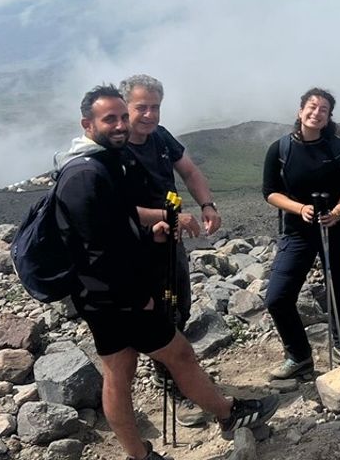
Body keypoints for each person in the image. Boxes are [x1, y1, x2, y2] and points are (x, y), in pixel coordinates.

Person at [55, 86, 276, 460]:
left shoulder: (102, 161)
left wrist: (149, 232)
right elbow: (98, 250)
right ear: (87, 123)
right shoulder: (85, 175)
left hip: (101, 296)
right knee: (179, 353)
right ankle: (229, 414)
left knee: (118, 371)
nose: (122, 124)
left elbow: (115, 225)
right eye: (112, 118)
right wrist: (138, 295)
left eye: (123, 116)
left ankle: (139, 455)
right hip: (117, 295)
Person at [119, 74, 222, 424]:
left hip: (171, 242)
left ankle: (179, 373)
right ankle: (172, 384)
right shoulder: (114, 151)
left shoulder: (160, 138)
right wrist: (169, 215)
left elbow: (190, 172)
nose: (149, 115)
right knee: (155, 316)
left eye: (155, 107)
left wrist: (207, 205)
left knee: (179, 306)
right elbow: (116, 209)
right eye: (141, 107)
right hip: (135, 249)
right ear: (125, 108)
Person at [262, 88, 340, 379]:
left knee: (339, 290)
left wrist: (339, 212)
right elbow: (270, 192)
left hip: (338, 227)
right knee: (278, 298)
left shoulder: (338, 148)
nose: (316, 113)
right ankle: (299, 355)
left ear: (329, 117)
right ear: (300, 111)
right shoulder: (280, 149)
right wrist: (300, 208)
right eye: (312, 107)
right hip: (297, 230)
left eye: (323, 110)